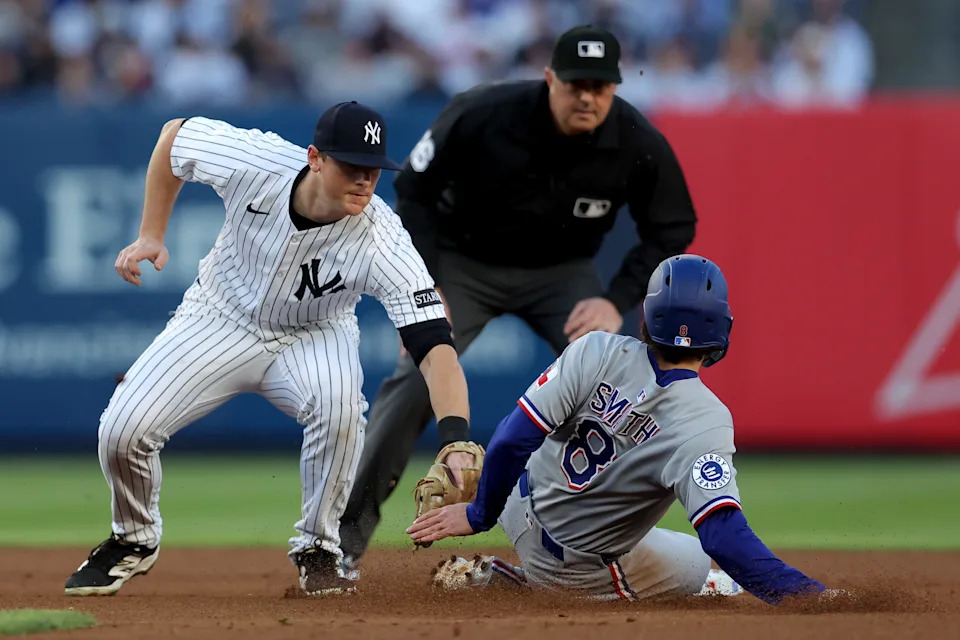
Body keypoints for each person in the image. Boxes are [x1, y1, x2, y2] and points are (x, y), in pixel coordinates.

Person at [63, 102, 470, 597]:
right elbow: (174, 137)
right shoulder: (257, 163)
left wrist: (456, 438)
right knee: (122, 431)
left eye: (373, 169)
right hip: (218, 316)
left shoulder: (381, 238)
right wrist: (151, 232)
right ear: (316, 158)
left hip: (317, 334)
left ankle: (319, 548)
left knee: (340, 412)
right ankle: (133, 538)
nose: (365, 180)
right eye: (351, 165)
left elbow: (434, 344)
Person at [339, 24, 698, 574]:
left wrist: (616, 299)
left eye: (600, 87)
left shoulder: (634, 138)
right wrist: (428, 280)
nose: (587, 96)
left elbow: (673, 227)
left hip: (562, 275)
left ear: (615, 88)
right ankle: (342, 547)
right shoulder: (484, 112)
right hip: (464, 263)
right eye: (576, 82)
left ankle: (609, 545)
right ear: (549, 78)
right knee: (416, 377)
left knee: (620, 387)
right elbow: (413, 188)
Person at [408, 255, 830, 604]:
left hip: (515, 504)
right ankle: (506, 582)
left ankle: (512, 567)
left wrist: (480, 511)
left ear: (648, 314)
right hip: (568, 567)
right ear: (721, 328)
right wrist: (808, 596)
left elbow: (511, 440)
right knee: (700, 565)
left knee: (664, 545)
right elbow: (723, 537)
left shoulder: (596, 349)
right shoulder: (706, 421)